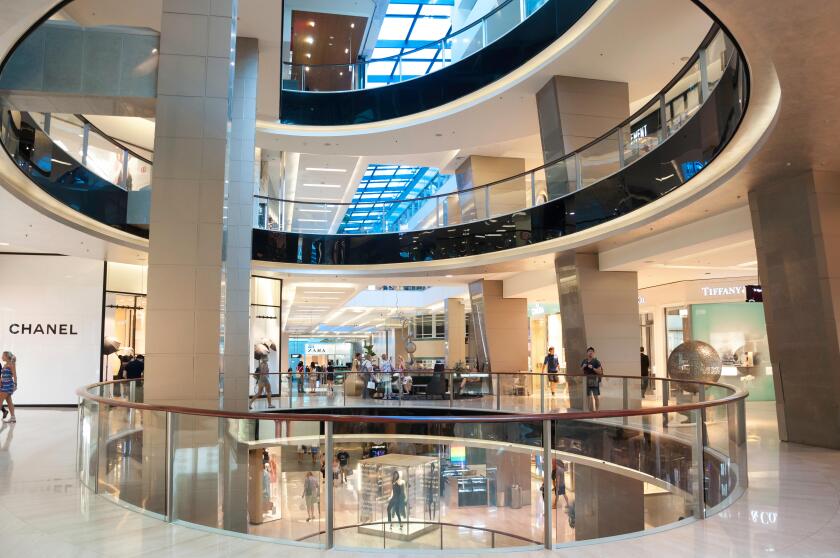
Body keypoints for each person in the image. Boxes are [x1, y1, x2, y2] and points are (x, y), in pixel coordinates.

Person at [581, 346, 603, 411]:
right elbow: (581, 369)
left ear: (594, 353)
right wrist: (583, 367)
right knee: (588, 396)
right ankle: (588, 410)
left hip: (594, 381)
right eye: (589, 351)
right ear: (587, 353)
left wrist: (593, 368)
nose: (590, 353)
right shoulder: (584, 361)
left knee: (595, 396)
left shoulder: (596, 361)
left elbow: (600, 371)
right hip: (586, 381)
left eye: (591, 352)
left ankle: (597, 411)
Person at [0, 352, 17, 423]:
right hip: (4, 385)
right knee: (9, 402)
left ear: (7, 357)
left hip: (7, 386)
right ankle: (13, 418)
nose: (2, 357)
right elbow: (4, 375)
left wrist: (15, 385)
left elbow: (14, 375)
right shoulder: (5, 365)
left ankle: (12, 417)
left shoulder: (11, 364)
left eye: (3, 356)